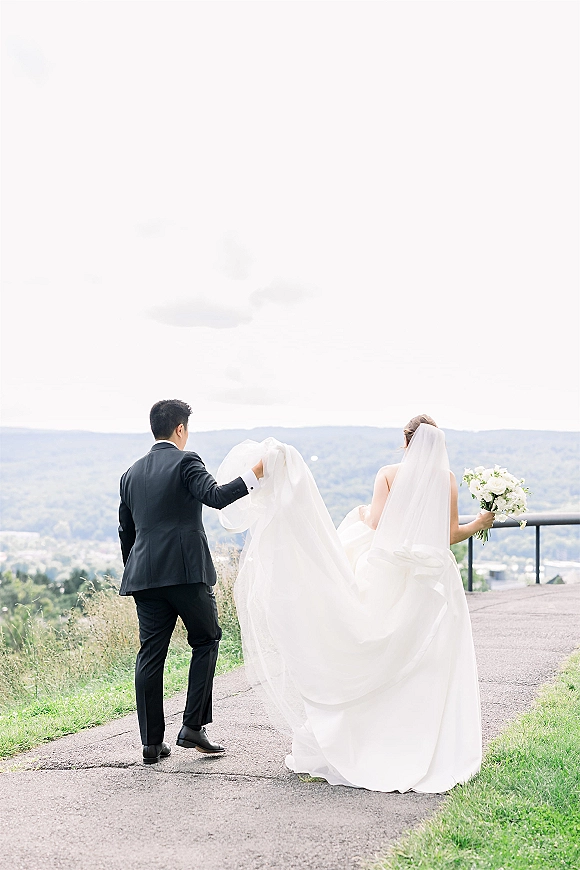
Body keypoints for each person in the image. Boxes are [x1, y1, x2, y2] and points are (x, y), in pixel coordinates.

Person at [216, 416, 494, 793]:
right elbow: (448, 535)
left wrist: (363, 512)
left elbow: (378, 523)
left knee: (377, 651)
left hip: (389, 572)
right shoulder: (446, 480)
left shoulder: (388, 474)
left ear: (405, 441)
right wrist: (480, 522)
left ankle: (366, 739)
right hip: (434, 581)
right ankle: (429, 741)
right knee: (428, 663)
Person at [118, 399, 264, 764]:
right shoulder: (187, 461)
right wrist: (255, 475)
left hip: (144, 578)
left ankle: (152, 744)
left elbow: (127, 532)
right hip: (186, 573)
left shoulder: (130, 474)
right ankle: (192, 727)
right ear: (180, 429)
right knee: (207, 638)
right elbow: (215, 497)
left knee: (150, 654)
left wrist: (139, 572)